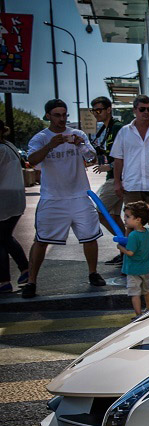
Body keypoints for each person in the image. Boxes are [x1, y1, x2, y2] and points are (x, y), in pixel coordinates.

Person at [21, 99, 105, 298]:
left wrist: (81, 145)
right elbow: (31, 160)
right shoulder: (41, 138)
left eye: (64, 115)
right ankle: (31, 281)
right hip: (53, 197)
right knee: (41, 239)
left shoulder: (78, 134)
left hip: (79, 194)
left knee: (90, 236)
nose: (61, 119)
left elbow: (92, 158)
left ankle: (93, 273)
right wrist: (50, 145)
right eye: (57, 115)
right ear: (48, 116)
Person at [110, 95, 149, 276]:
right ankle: (130, 263)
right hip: (132, 184)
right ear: (134, 110)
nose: (146, 113)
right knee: (130, 225)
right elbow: (118, 158)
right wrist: (117, 182)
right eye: (142, 109)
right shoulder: (124, 132)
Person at [88, 96, 125, 261]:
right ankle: (126, 251)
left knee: (100, 213)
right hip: (114, 177)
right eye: (93, 110)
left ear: (109, 109)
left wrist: (109, 167)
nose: (96, 113)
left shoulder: (117, 128)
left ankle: (128, 246)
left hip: (117, 178)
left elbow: (124, 154)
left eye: (99, 110)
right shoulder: (106, 129)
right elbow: (110, 153)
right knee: (115, 216)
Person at [0, 122, 29, 293]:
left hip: (4, 199)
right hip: (15, 198)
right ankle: (25, 269)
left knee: (1, 240)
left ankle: (4, 281)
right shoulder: (8, 145)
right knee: (5, 238)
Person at [117, 201, 149, 317]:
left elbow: (130, 253)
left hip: (133, 270)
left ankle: (138, 314)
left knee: (135, 293)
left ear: (138, 219)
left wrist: (120, 247)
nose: (125, 219)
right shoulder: (148, 232)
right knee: (147, 290)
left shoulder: (133, 235)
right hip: (145, 268)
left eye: (128, 216)